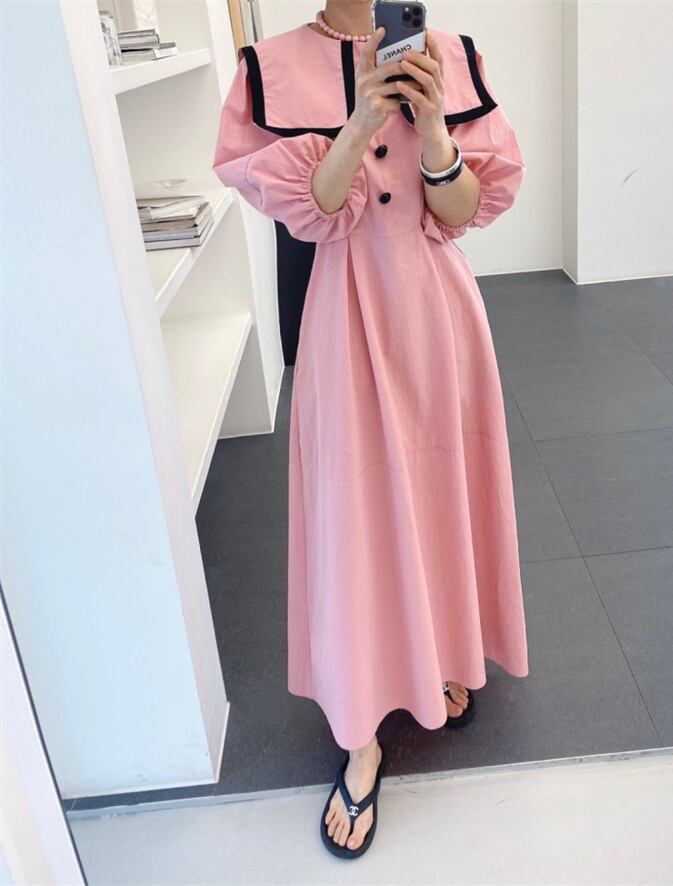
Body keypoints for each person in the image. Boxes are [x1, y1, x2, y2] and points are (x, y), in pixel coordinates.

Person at [212, 1, 529, 859]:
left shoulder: (451, 53)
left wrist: (435, 134)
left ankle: (449, 653)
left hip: (438, 316)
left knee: (444, 488)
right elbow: (311, 213)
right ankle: (361, 736)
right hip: (346, 315)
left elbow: (463, 211)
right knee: (353, 514)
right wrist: (356, 125)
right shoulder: (271, 66)